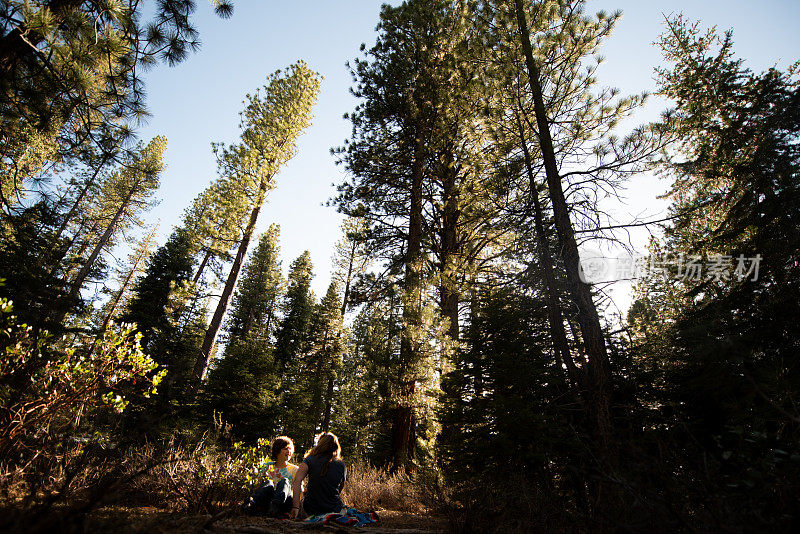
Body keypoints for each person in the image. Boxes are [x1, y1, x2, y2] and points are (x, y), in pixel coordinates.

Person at [289, 432, 347, 519]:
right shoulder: (341, 465)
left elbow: (297, 480)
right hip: (335, 509)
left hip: (310, 509)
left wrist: (295, 507)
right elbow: (340, 489)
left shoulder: (309, 460)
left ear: (320, 444)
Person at [242, 436, 298, 517]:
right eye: (285, 449)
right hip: (268, 501)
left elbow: (299, 490)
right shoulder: (267, 466)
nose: (288, 451)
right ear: (277, 450)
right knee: (268, 482)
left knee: (285, 481)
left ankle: (275, 507)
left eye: (290, 449)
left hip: (285, 502)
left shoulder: (295, 469)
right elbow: (259, 484)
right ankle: (250, 504)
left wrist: (296, 508)